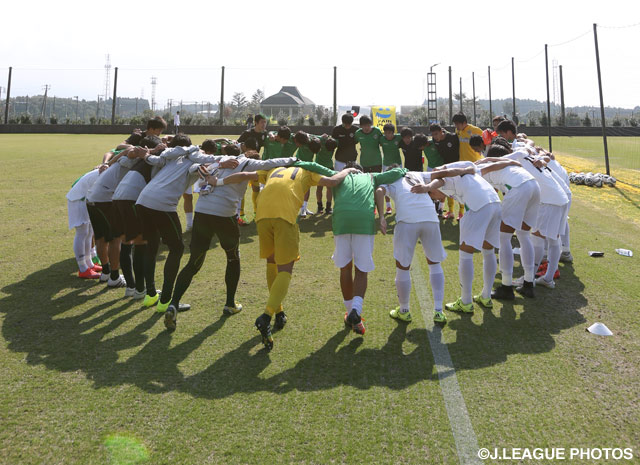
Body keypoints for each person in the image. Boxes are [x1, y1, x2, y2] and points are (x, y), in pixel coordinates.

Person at [225, 163, 356, 351]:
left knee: (272, 264)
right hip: (284, 216)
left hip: (262, 215)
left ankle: (279, 312)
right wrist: (349, 170)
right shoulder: (308, 171)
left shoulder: (273, 169)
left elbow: (245, 174)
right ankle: (266, 315)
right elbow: (333, 181)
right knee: (285, 269)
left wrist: (218, 181)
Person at [163, 151, 297, 331]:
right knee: (233, 257)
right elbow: (272, 161)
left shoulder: (220, 160)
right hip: (224, 214)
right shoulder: (249, 162)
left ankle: (174, 303)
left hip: (202, 211)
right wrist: (294, 159)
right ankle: (229, 303)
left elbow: (197, 168)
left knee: (194, 261)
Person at [135, 134, 240, 314]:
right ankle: (166, 300)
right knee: (176, 249)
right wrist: (221, 164)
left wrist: (145, 155)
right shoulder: (192, 160)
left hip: (142, 200)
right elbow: (200, 168)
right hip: (162, 204)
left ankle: (150, 294)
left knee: (151, 246)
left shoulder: (172, 158)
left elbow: (153, 159)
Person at [410, 161, 502, 314]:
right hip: (495, 203)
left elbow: (439, 177)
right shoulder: (468, 171)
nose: (438, 198)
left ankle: (466, 302)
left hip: (478, 206)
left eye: (433, 196)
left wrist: (428, 187)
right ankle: (486, 296)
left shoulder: (444, 177)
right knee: (488, 251)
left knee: (465, 254)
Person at [330, 162, 407, 335]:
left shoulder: (339, 176)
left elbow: (315, 168)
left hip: (341, 220)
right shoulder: (371, 176)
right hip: (364, 221)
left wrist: (291, 162)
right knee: (361, 269)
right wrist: (406, 170)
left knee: (345, 268)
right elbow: (396, 172)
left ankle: (350, 312)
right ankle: (356, 311)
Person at [487, 140, 569, 294]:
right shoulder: (523, 152)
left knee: (517, 237)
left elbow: (496, 161)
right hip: (557, 195)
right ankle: (534, 280)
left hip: (548, 199)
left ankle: (514, 284)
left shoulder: (512, 159)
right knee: (537, 237)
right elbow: (537, 149)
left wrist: (482, 162)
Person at [375, 167, 448, 323]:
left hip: (407, 221)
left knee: (402, 266)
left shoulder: (390, 180)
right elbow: (441, 178)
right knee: (435, 264)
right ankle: (438, 311)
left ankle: (404, 310)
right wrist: (429, 188)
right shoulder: (416, 174)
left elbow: (379, 191)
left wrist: (381, 216)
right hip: (430, 218)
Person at [474, 154, 540, 299]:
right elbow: (511, 162)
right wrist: (487, 159)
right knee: (523, 235)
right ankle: (529, 283)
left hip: (519, 187)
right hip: (534, 185)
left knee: (503, 238)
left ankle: (506, 286)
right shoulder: (502, 162)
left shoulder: (475, 173)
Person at [112, 135, 165, 298]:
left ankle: (133, 288)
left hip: (118, 198)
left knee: (127, 242)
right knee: (141, 243)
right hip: (131, 199)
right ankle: (141, 290)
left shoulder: (140, 160)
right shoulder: (153, 159)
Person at [67, 167, 102, 278]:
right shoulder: (107, 173)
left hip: (86, 199)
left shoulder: (109, 171)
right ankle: (83, 268)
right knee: (82, 233)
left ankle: (90, 264)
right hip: (78, 199)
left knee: (89, 232)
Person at [430, 123, 464, 220]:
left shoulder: (452, 137)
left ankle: (461, 213)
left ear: (442, 131)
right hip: (446, 169)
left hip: (458, 167)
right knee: (449, 190)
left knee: (459, 190)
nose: (434, 137)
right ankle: (451, 211)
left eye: (436, 134)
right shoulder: (434, 141)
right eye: (433, 135)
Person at [379, 123, 404, 214]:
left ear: (394, 133)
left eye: (390, 133)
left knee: (399, 185)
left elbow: (407, 135)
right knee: (386, 185)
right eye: (386, 133)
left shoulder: (399, 137)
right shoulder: (381, 139)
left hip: (398, 165)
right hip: (386, 165)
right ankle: (388, 207)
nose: (388, 135)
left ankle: (399, 206)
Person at [312, 136, 337, 214]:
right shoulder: (323, 140)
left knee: (324, 188)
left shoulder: (330, 142)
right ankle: (322, 207)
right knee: (324, 188)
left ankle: (326, 207)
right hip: (321, 168)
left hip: (326, 168)